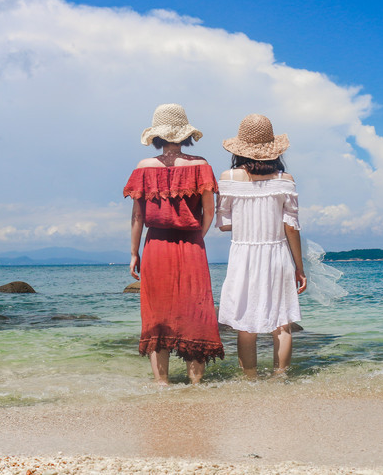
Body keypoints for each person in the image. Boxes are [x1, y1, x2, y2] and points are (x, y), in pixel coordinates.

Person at [123, 103, 224, 385]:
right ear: (185, 134)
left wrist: (133, 252)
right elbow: (209, 212)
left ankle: (162, 385)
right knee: (196, 311)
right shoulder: (200, 165)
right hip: (192, 246)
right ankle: (196, 385)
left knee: (157, 315)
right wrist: (196, 238)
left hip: (155, 245)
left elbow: (137, 216)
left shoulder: (144, 168)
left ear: (156, 136)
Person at [216, 113, 307, 379]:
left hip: (243, 255)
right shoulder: (285, 179)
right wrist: (299, 268)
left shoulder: (228, 177)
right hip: (277, 253)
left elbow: (223, 224)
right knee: (282, 323)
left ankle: (250, 379)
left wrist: (249, 222)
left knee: (246, 325)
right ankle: (281, 377)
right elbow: (291, 227)